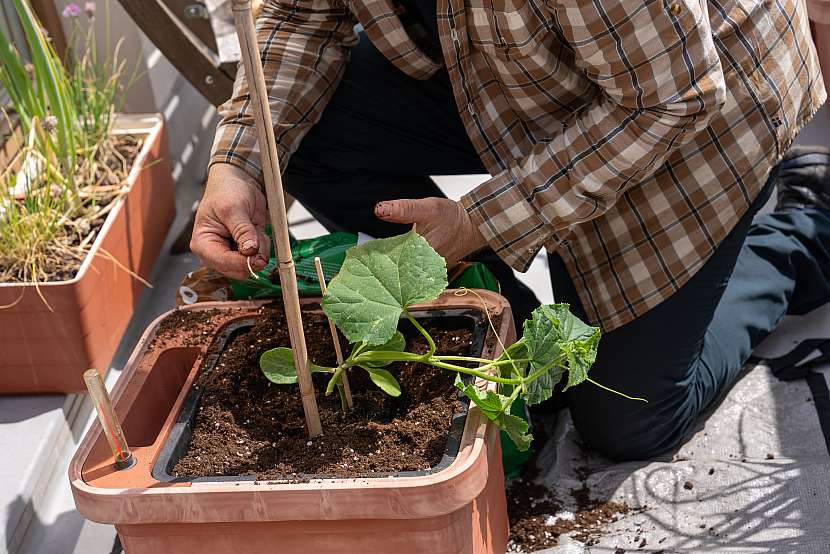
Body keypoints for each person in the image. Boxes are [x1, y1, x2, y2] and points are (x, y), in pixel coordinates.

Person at [190, 0, 829, 460]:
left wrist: (483, 218)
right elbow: (299, 15)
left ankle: (803, 225)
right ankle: (504, 325)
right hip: (514, 73)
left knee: (629, 422)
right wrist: (239, 161)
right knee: (298, 139)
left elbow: (677, 96)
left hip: (697, 108)